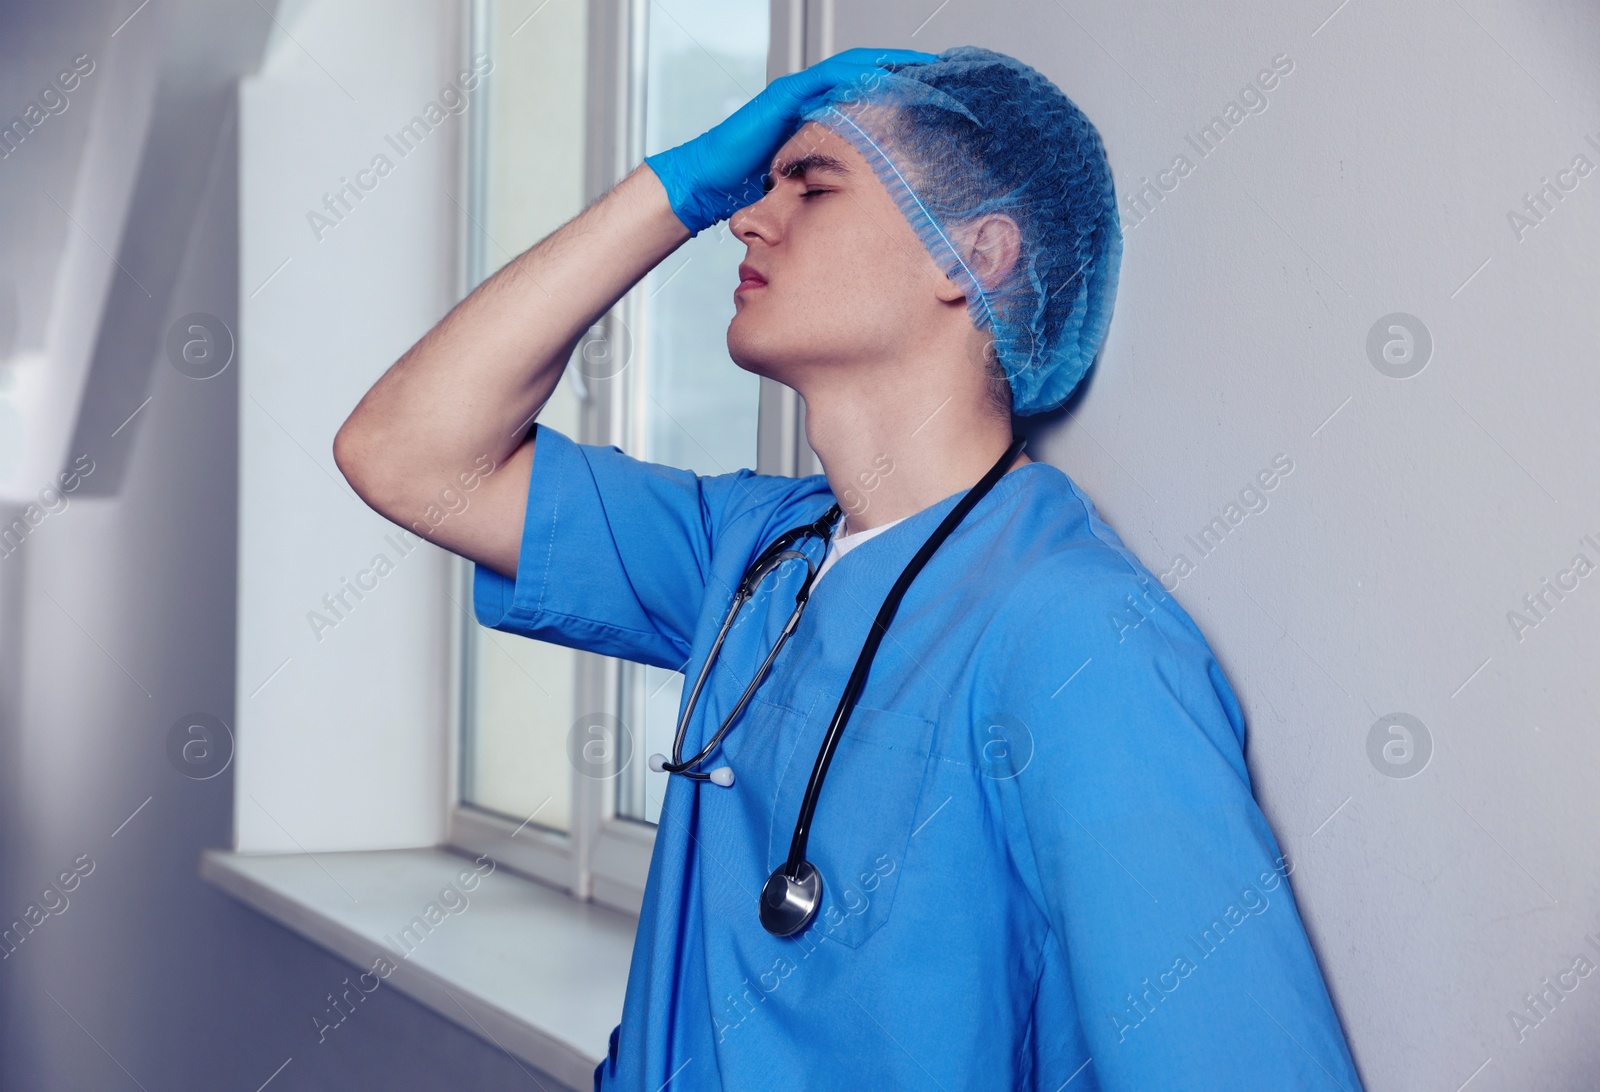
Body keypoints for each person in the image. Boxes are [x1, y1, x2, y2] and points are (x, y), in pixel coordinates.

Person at [335, 45, 1364, 1092]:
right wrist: (670, 188)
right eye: (746, 190)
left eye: (812, 186)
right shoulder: (747, 549)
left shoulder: (1078, 641)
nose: (745, 218)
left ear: (974, 257)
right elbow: (406, 455)